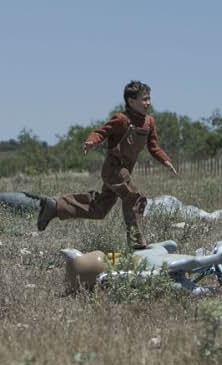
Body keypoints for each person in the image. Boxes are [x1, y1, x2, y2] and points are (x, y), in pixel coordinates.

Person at [37, 80, 177, 249]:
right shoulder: (121, 119)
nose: (148, 103)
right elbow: (101, 133)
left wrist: (166, 160)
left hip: (124, 171)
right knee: (134, 198)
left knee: (100, 209)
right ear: (131, 101)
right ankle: (136, 243)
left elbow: (154, 147)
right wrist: (91, 141)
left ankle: (55, 206)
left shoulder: (149, 122)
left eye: (149, 99)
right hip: (113, 168)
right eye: (144, 99)